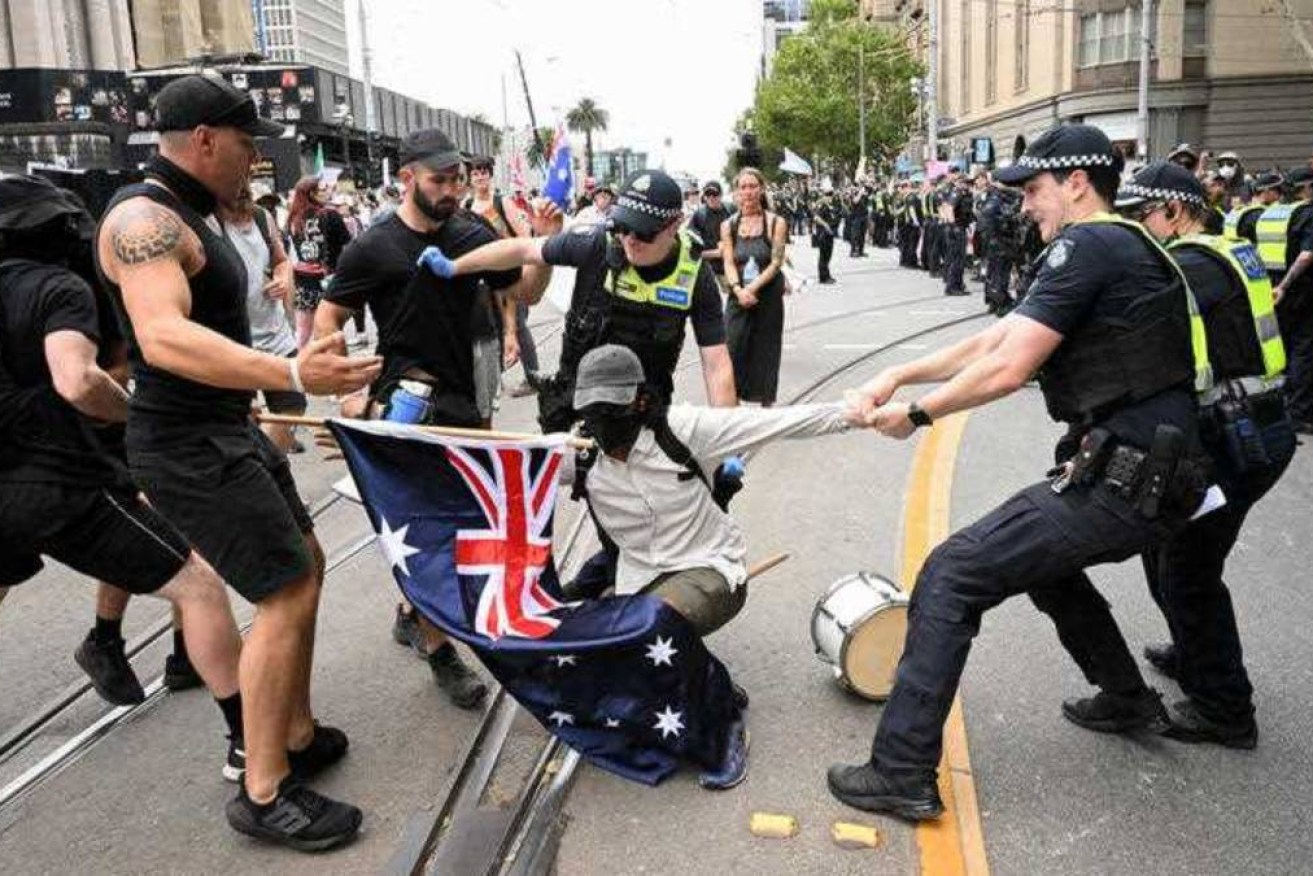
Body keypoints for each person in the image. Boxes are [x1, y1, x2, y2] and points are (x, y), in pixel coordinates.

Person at [828, 125, 1210, 821]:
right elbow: (1000, 334)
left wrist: (914, 414)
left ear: (1075, 184)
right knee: (1043, 565)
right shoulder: (1112, 244)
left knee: (951, 572)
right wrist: (898, 371)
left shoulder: (1089, 241)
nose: (1024, 205)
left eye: (1033, 189)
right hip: (1142, 476)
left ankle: (901, 771)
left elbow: (1008, 367)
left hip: (1126, 481)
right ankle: (1125, 698)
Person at [94, 74, 381, 851]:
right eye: (249, 145)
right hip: (187, 445)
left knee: (307, 561)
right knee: (283, 590)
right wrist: (292, 375)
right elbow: (163, 338)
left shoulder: (197, 210)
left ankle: (292, 731)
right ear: (207, 140)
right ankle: (262, 789)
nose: (256, 162)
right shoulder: (143, 218)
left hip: (228, 427)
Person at [0, 173, 245, 746]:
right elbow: (77, 380)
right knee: (199, 585)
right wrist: (131, 410)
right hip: (62, 484)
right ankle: (251, 744)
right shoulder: (58, 287)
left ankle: (115, 643)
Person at [317, 129, 555, 705]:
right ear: (407, 178)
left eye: (455, 180)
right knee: (430, 535)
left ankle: (413, 612)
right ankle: (440, 650)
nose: (450, 191)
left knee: (468, 521)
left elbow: (526, 293)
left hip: (465, 405)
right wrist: (345, 392)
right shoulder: (372, 247)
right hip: (403, 412)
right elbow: (326, 322)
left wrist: (545, 245)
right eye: (438, 181)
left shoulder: (470, 233)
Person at [567, 344, 860, 787]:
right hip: (638, 579)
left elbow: (775, 423)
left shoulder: (682, 430)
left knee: (655, 625)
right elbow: (494, 467)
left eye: (611, 409)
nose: (601, 423)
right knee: (606, 647)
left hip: (709, 570)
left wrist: (859, 413)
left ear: (640, 401)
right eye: (591, 411)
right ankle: (705, 679)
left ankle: (723, 730)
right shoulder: (579, 454)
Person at [1115, 162, 1294, 748]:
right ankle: (1194, 654)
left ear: (1176, 209)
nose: (1139, 229)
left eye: (1143, 217)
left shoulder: (1193, 263)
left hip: (1237, 438)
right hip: (1247, 427)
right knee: (1163, 547)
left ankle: (1225, 709)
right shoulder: (1224, 248)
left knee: (1188, 569)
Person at [415, 168, 736, 431]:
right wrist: (455, 266)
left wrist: (726, 438)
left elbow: (716, 362)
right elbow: (522, 249)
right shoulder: (597, 242)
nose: (630, 241)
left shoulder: (693, 274)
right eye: (623, 227)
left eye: (644, 233)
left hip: (642, 403)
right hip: (576, 395)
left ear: (674, 225)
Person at [465, 154, 540, 398]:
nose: (480, 177)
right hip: (483, 278)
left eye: (483, 172)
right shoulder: (466, 207)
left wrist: (524, 267)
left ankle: (534, 377)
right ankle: (494, 382)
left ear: (490, 174)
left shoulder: (502, 202)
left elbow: (525, 237)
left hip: (509, 274)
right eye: (475, 173)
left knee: (517, 325)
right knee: (492, 328)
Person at [721, 168, 789, 406]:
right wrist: (738, 289)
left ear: (761, 189)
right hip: (738, 294)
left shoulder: (776, 223)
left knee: (766, 348)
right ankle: (733, 401)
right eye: (743, 187)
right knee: (732, 345)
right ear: (736, 192)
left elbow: (776, 262)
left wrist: (753, 289)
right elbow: (728, 261)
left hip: (768, 293)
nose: (748, 192)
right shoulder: (728, 225)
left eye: (752, 186)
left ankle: (766, 402)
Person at [1257, 167, 1313, 432]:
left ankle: (1276, 406)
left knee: (1280, 348)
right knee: (1303, 349)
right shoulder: (1308, 213)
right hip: (1298, 291)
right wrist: (1287, 285)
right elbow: (1306, 255)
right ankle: (1298, 412)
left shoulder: (1271, 213)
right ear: (1306, 188)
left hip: (1271, 290)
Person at [287, 175, 351, 349]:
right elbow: (348, 243)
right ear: (312, 193)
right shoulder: (331, 215)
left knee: (303, 332)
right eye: (322, 189)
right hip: (329, 279)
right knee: (331, 331)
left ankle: (301, 367)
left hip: (304, 280)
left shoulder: (293, 219)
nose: (327, 192)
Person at [686, 181, 735, 290]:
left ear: (721, 195)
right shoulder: (699, 216)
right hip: (708, 271)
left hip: (730, 268)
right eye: (708, 194)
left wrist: (728, 247)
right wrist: (716, 253)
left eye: (715, 194)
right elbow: (692, 252)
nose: (711, 197)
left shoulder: (731, 210)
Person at [1226, 172, 1283, 244]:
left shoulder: (1239, 210)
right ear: (1267, 191)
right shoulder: (1261, 215)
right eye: (1279, 191)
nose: (1281, 196)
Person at [940, 172, 973, 296]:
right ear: (958, 182)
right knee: (957, 259)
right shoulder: (956, 193)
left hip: (961, 227)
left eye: (966, 182)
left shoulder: (964, 194)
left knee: (960, 259)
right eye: (963, 182)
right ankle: (952, 286)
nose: (966, 184)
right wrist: (953, 226)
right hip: (957, 228)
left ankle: (958, 284)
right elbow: (948, 209)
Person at [812, 187, 841, 285]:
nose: (829, 198)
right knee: (823, 256)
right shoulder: (821, 205)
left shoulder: (830, 205)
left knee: (828, 255)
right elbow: (816, 217)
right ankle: (823, 278)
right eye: (827, 196)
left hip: (829, 234)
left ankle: (827, 275)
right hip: (823, 233)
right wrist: (826, 225)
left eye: (830, 196)